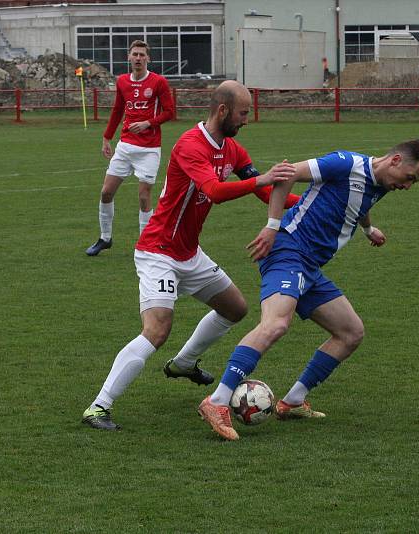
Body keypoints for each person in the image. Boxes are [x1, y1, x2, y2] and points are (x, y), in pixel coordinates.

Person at [82, 80, 301, 430]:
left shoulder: (232, 149)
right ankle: (99, 407)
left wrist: (308, 206)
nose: (247, 120)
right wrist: (263, 181)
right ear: (223, 110)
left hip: (189, 253)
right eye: (244, 113)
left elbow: (264, 193)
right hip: (159, 251)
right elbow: (214, 191)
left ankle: (184, 363)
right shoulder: (190, 145)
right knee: (156, 330)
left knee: (235, 308)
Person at [198, 140, 419, 441]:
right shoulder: (345, 163)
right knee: (275, 324)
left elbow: (360, 202)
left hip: (309, 266)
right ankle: (217, 401)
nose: (408, 186)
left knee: (351, 332)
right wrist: (272, 226)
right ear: (396, 160)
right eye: (410, 178)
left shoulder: (384, 182)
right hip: (288, 250)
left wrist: (367, 229)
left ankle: (293, 400)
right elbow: (288, 174)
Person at [85, 40, 175, 256]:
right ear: (128, 57)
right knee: (106, 192)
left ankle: (145, 245)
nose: (138, 58)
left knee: (144, 197)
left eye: (142, 55)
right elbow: (117, 110)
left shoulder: (158, 82)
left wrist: (148, 123)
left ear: (148, 58)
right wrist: (107, 138)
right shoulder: (122, 81)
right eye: (134, 54)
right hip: (125, 146)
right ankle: (105, 238)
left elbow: (170, 111)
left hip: (149, 149)